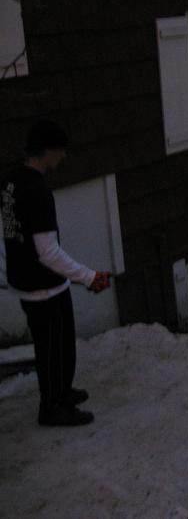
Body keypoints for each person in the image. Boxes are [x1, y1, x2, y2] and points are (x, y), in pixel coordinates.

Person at [1, 120, 111, 426]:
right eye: (61, 152)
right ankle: (51, 408)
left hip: (27, 280)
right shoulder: (37, 192)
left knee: (58, 345)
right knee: (52, 350)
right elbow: (48, 253)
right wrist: (89, 277)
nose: (63, 158)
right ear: (48, 151)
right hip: (42, 286)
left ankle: (62, 392)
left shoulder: (10, 182)